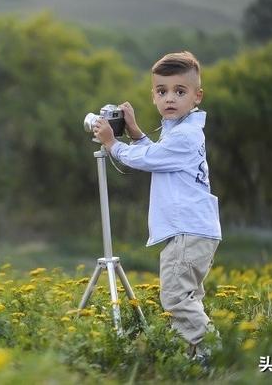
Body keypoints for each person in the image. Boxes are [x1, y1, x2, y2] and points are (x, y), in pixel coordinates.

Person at [92, 51, 222, 361]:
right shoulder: (178, 130)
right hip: (194, 229)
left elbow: (149, 160)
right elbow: (158, 156)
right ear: (153, 95)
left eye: (180, 91)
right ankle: (197, 356)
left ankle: (214, 352)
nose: (170, 98)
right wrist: (135, 133)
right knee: (189, 297)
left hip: (186, 231)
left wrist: (113, 144)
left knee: (176, 298)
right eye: (162, 91)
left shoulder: (186, 136)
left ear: (197, 96)